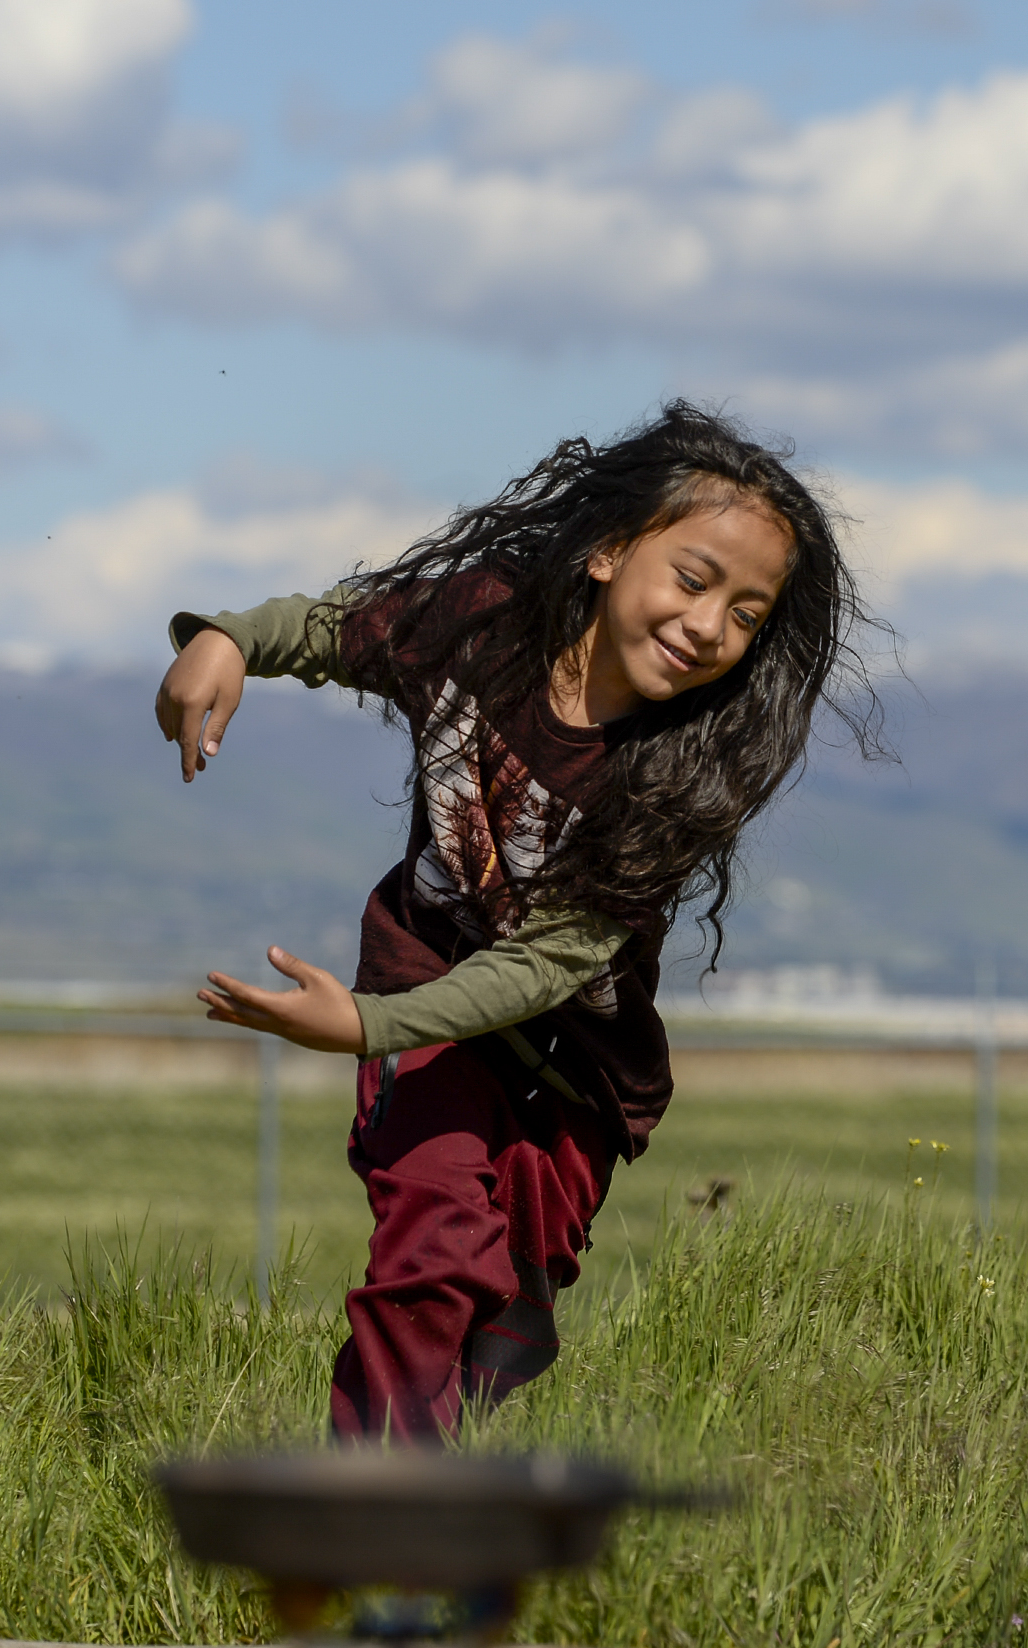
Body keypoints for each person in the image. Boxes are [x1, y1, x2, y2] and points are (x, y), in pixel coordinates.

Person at [154, 402, 878, 1441]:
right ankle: (378, 1513)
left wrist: (358, 1026)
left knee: (499, 1317)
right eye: (694, 578)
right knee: (432, 1258)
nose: (713, 625)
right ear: (606, 553)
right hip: (425, 1009)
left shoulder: (677, 778)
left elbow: (543, 967)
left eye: (749, 613)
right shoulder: (478, 625)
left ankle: (493, 1337)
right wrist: (224, 640)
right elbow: (330, 626)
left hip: (572, 1072)